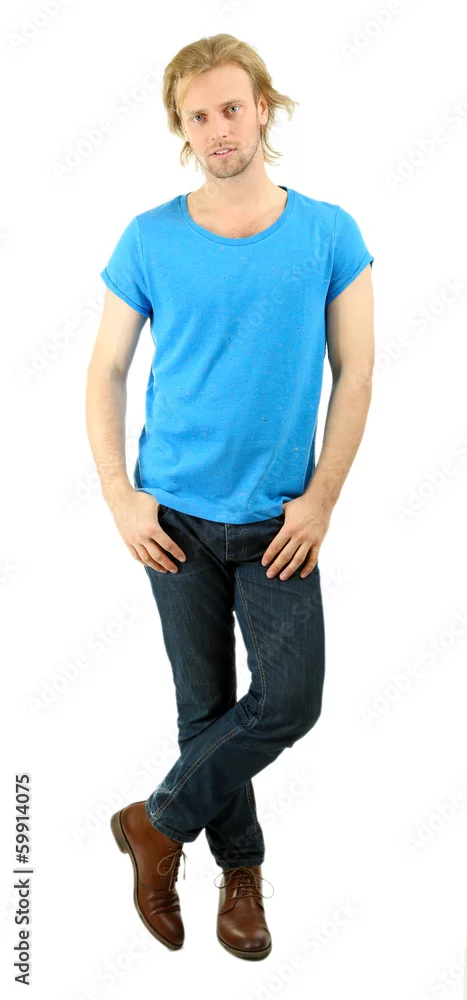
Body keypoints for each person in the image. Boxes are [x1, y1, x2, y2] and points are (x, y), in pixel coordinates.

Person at [86, 33, 375, 961]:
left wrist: (322, 499)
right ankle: (239, 873)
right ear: (181, 127)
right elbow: (106, 369)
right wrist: (120, 496)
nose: (219, 129)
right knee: (203, 708)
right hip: (171, 516)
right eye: (199, 115)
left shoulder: (328, 232)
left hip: (278, 521)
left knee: (289, 701)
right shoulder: (149, 237)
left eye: (232, 108)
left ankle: (155, 820)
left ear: (264, 108)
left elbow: (357, 370)